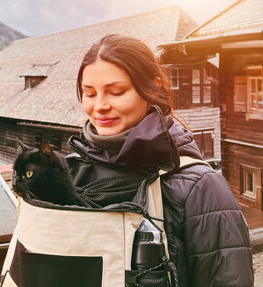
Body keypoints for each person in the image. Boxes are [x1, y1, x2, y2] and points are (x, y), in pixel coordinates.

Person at [66, 34, 254, 286]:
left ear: (153, 88)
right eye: (89, 93)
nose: (99, 106)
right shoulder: (72, 171)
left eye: (116, 92)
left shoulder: (200, 187)